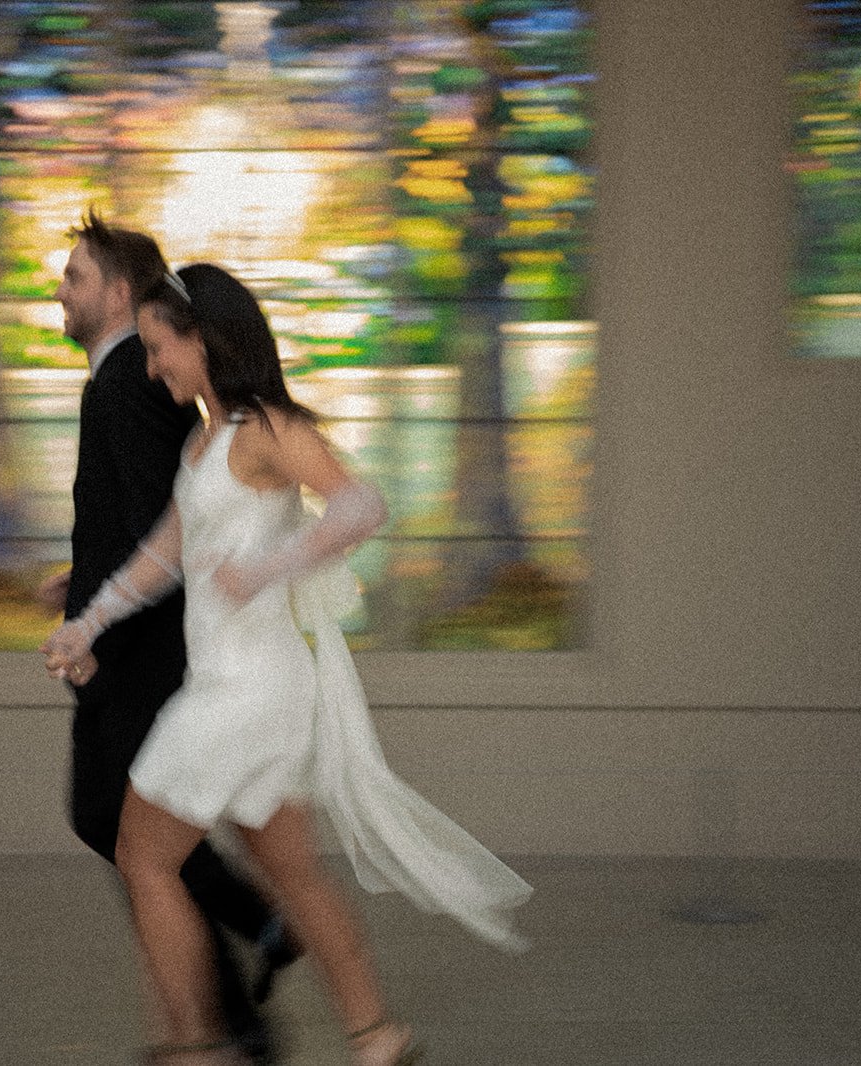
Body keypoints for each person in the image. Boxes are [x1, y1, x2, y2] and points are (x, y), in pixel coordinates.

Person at [43, 263, 532, 1065]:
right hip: (242, 690)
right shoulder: (205, 441)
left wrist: (276, 567)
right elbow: (165, 553)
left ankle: (192, 1047)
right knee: (292, 873)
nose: (153, 364)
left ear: (205, 339)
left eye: (162, 347)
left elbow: (361, 504)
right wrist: (88, 623)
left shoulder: (267, 428)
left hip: (244, 693)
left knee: (142, 855)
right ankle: (378, 1036)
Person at [36, 213, 297, 1063]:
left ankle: (224, 1009)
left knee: (121, 827)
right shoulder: (120, 386)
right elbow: (144, 518)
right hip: (127, 640)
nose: (61, 291)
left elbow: (171, 525)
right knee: (131, 834)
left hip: (144, 658)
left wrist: (98, 615)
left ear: (118, 291)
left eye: (74, 276)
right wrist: (79, 589)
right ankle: (232, 1000)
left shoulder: (126, 387)